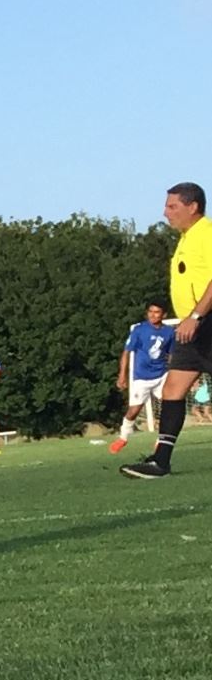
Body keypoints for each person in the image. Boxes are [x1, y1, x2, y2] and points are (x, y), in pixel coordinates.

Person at [124, 182, 212, 480]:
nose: (165, 212)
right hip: (191, 325)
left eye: (172, 206)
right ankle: (160, 462)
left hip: (205, 321)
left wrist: (197, 316)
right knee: (172, 391)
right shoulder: (186, 238)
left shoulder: (206, 234)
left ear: (193, 207)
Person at [112, 304, 174, 453]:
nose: (153, 315)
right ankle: (123, 437)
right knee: (134, 410)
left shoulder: (169, 332)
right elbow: (127, 352)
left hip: (161, 374)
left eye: (157, 312)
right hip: (141, 377)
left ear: (163, 315)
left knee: (169, 406)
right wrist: (122, 375)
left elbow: (171, 354)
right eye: (150, 312)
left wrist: (174, 372)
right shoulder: (139, 330)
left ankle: (161, 440)